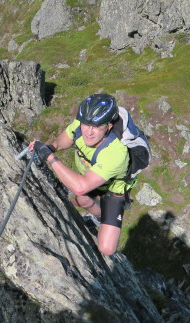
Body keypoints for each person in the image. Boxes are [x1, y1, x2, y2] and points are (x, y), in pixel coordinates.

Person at [29, 94, 129, 256]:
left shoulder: (116, 153)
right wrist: (52, 147)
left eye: (96, 127)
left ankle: (106, 220)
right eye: (86, 124)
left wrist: (49, 156)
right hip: (90, 177)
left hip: (112, 189)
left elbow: (81, 186)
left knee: (106, 249)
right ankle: (99, 218)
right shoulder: (80, 125)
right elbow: (67, 138)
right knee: (80, 200)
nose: (89, 132)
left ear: (108, 127)